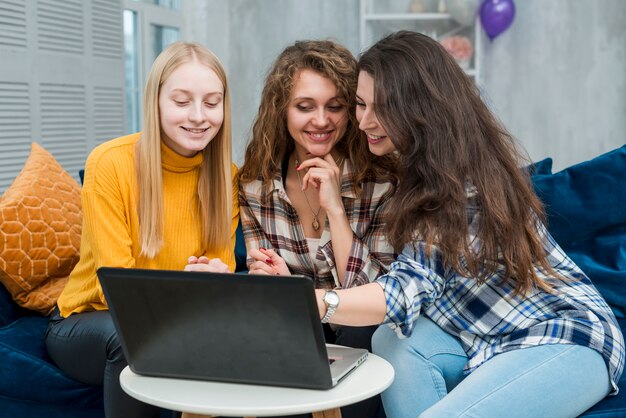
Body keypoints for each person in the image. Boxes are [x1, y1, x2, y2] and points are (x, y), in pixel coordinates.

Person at [312, 31, 625, 418]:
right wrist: (335, 212)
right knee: (392, 341)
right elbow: (384, 288)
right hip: (483, 332)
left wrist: (317, 303)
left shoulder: (463, 186)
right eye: (360, 104)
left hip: (564, 336)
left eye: (383, 108)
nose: (364, 121)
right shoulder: (415, 167)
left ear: (420, 107)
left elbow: (400, 293)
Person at [45, 41, 239, 418]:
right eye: (182, 102)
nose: (199, 116)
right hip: (88, 321)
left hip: (177, 322)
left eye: (212, 103)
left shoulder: (226, 178)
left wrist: (216, 280)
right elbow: (117, 285)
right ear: (155, 102)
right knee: (134, 339)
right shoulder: (110, 163)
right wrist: (186, 290)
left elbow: (220, 275)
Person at [237, 40, 397, 418]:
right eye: (304, 107)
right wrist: (270, 277)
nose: (321, 121)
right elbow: (271, 293)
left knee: (364, 332)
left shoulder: (383, 181)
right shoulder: (254, 187)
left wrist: (335, 210)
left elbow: (374, 297)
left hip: (362, 328)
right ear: (282, 110)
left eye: (335, 107)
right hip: (294, 326)